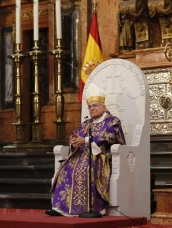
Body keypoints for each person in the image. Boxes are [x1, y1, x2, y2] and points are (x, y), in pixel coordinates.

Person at [45, 84, 126, 216]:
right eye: (90, 107)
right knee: (65, 168)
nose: (92, 109)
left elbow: (111, 136)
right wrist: (74, 142)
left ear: (103, 107)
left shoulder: (112, 121)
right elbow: (75, 134)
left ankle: (95, 208)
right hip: (81, 155)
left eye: (95, 106)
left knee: (84, 169)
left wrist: (86, 140)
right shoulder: (87, 123)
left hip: (101, 157)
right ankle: (61, 208)